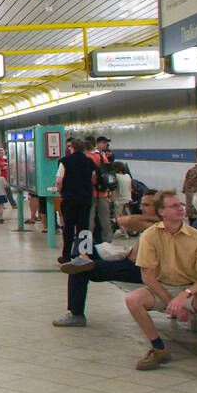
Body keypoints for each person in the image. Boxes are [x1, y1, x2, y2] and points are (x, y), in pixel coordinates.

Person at [124, 189, 197, 380]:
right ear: (162, 212)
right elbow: (148, 276)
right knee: (132, 299)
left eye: (181, 205)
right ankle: (159, 348)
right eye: (175, 206)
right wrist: (172, 303)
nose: (181, 209)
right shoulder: (150, 236)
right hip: (162, 288)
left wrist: (184, 295)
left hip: (191, 290)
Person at [53, 193, 163, 327]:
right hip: (125, 260)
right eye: (142, 204)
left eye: (147, 205)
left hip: (135, 269)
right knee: (83, 236)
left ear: (160, 208)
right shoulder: (155, 223)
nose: (142, 208)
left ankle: (76, 314)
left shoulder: (161, 227)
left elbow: (126, 221)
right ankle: (83, 257)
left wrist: (156, 217)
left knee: (79, 270)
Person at [53, 138, 97, 262]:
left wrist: (60, 190)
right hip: (85, 198)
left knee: (68, 226)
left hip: (69, 198)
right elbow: (93, 177)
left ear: (71, 148)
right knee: (84, 227)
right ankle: (84, 255)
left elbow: (59, 180)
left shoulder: (64, 161)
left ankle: (66, 255)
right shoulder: (89, 162)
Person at [85, 135, 113, 244]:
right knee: (105, 218)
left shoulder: (86, 158)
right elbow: (108, 173)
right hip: (103, 192)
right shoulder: (102, 156)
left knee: (89, 219)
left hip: (90, 191)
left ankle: (88, 241)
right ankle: (108, 240)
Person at [113, 162, 133, 230]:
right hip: (128, 198)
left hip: (119, 200)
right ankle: (130, 230)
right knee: (126, 215)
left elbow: (113, 189)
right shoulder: (128, 176)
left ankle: (124, 233)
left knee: (118, 217)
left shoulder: (116, 176)